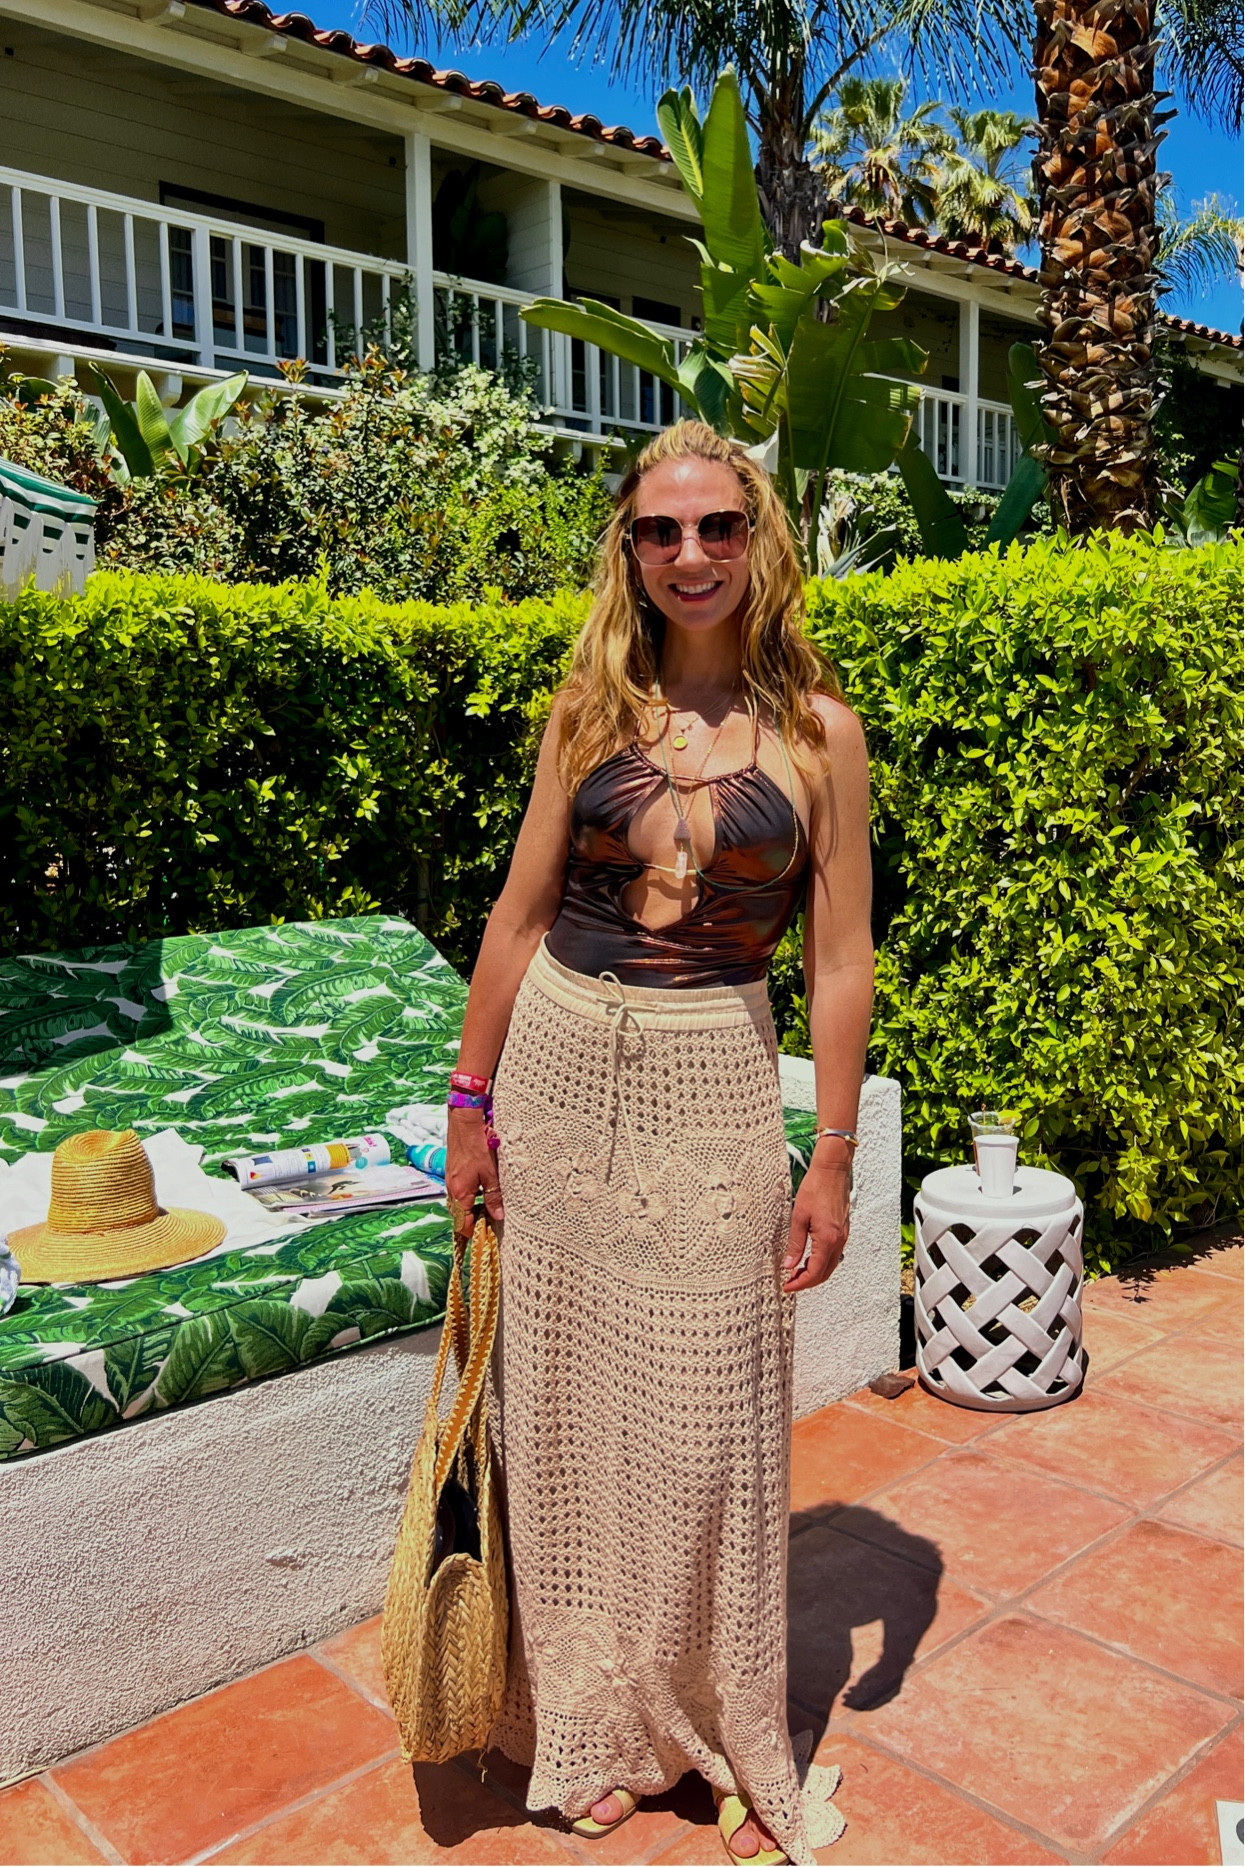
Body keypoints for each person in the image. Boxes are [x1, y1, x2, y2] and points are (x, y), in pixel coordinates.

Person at [443, 419, 873, 1866]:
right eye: (658, 531)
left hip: (708, 1074)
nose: (688, 554)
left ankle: (721, 1721)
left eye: (716, 527)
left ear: (761, 541)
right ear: (627, 552)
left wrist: (826, 1154)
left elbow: (837, 959)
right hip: (563, 1063)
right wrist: (469, 1101)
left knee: (709, 1425)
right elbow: (512, 916)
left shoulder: (820, 733)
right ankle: (591, 1726)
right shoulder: (586, 713)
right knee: (562, 1417)